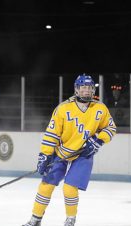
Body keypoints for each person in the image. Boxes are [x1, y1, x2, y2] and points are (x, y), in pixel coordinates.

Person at [22, 74, 117, 226]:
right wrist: (45, 155)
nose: (87, 91)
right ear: (76, 90)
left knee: (69, 187)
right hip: (61, 152)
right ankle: (35, 219)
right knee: (46, 184)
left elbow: (111, 128)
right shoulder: (63, 108)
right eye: (83, 87)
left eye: (90, 87)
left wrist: (98, 140)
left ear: (93, 90)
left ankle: (70, 220)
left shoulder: (100, 108)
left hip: (84, 154)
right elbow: (52, 134)